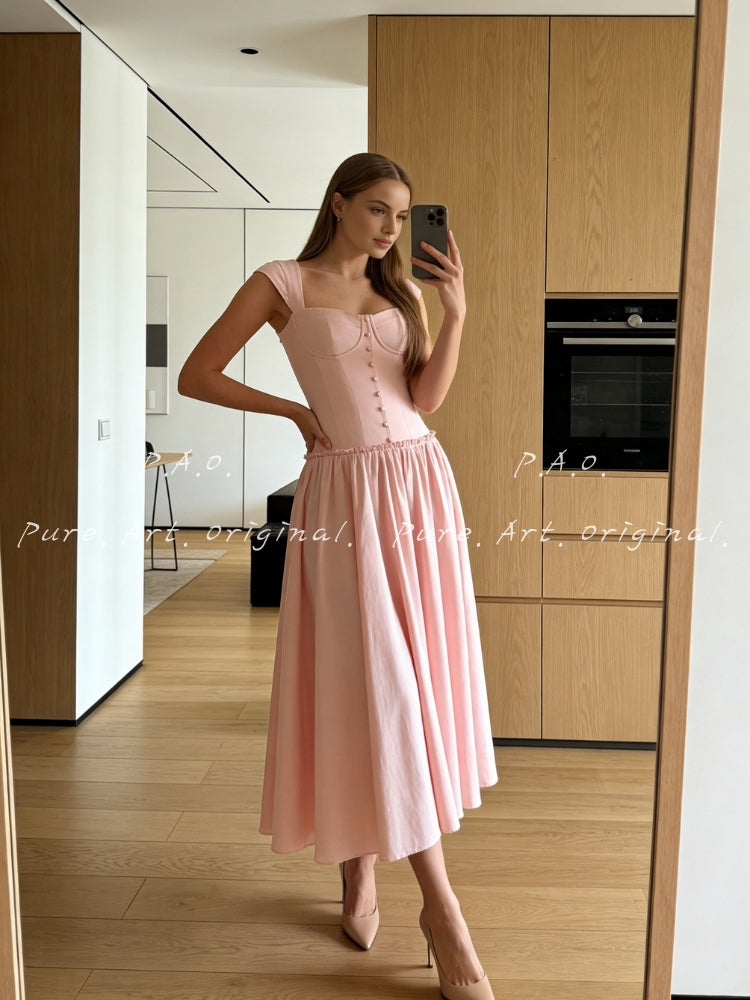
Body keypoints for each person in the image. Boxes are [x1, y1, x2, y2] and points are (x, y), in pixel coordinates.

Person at [178, 152, 498, 1000]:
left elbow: (425, 399)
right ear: (339, 204)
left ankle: (363, 863)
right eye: (379, 209)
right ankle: (442, 911)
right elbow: (197, 374)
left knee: (411, 680)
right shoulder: (282, 283)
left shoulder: (406, 292)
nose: (392, 228)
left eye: (402, 214)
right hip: (344, 493)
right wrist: (291, 409)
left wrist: (456, 314)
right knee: (375, 681)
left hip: (419, 486)